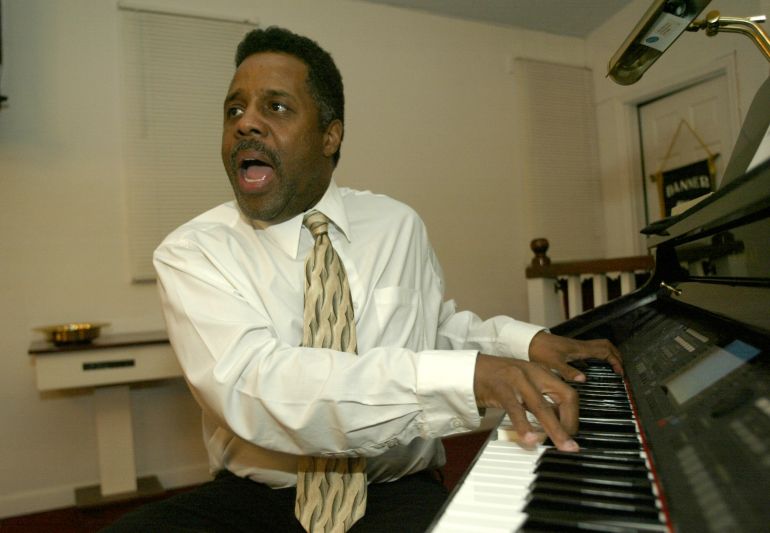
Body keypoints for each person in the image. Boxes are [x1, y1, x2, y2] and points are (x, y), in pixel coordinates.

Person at [105, 26, 622, 533]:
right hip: (259, 499)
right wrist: (466, 378)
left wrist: (525, 343)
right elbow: (258, 385)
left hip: (393, 489)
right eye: (234, 110)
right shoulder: (193, 251)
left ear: (330, 136)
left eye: (276, 107)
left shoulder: (397, 225)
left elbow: (429, 328)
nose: (246, 124)